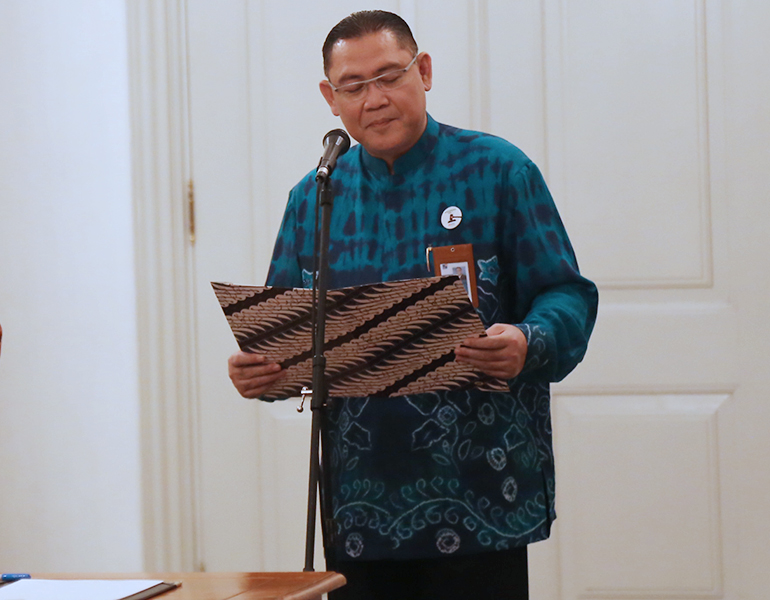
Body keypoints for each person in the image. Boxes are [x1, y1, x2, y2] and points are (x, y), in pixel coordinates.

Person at [229, 10, 598, 600]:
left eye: (389, 76)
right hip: (359, 509)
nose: (374, 99)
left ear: (423, 71)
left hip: (481, 497)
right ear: (330, 98)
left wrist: (528, 341)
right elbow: (287, 338)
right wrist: (262, 373)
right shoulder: (315, 199)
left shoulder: (497, 171)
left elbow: (566, 292)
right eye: (353, 85)